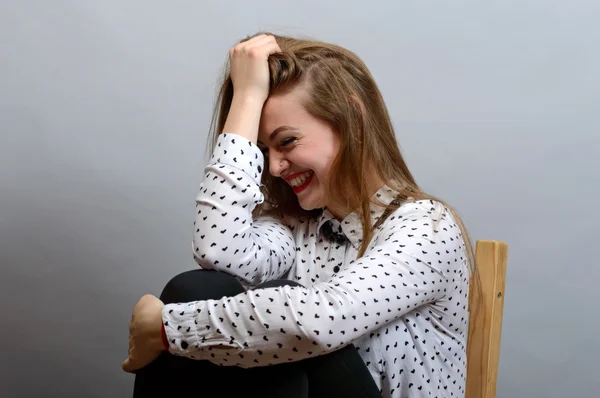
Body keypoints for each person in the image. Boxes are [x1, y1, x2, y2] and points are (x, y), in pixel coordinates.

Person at [122, 32, 476, 398]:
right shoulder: (295, 228)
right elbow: (215, 250)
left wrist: (166, 329)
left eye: (287, 141)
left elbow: (319, 321)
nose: (273, 167)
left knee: (287, 321)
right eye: (263, 149)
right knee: (196, 289)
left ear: (353, 119)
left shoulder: (428, 226)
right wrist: (246, 97)